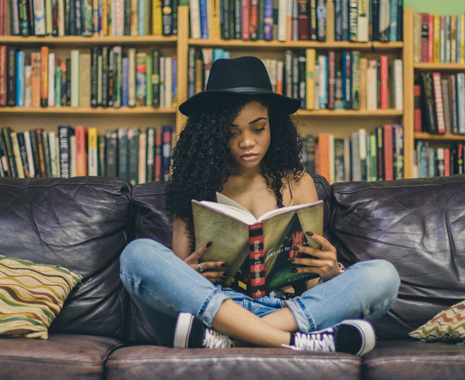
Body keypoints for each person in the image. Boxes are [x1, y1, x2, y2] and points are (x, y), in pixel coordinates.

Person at [119, 56, 400, 356]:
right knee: (137, 255)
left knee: (383, 276)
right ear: (214, 135)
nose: (247, 142)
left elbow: (312, 287)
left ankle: (237, 338)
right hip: (213, 308)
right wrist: (188, 273)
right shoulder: (192, 185)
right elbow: (177, 283)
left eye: (258, 128)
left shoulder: (299, 183)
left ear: (273, 126)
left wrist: (332, 271)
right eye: (232, 132)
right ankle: (294, 342)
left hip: (285, 310)